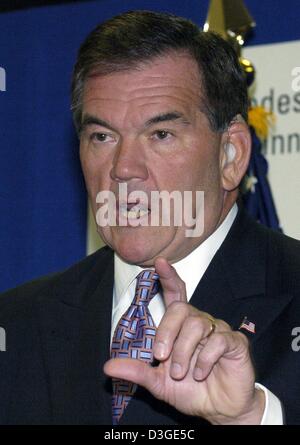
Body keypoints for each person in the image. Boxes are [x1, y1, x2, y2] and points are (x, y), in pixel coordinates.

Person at [0, 10, 299, 425]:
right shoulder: (15, 324)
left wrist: (252, 418)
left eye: (160, 134)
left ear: (231, 155)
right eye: (102, 136)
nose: (123, 168)